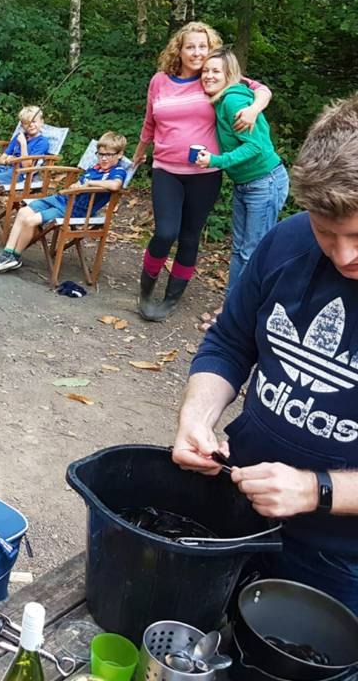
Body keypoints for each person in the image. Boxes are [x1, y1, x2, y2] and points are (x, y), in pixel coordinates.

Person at [172, 93, 358, 614]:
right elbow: (230, 342)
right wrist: (197, 416)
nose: (343, 255)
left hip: (342, 560)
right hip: (237, 508)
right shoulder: (288, 243)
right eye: (327, 233)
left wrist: (317, 490)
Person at [132, 21, 272, 322]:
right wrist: (138, 155)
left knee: (190, 236)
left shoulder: (214, 79)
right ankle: (146, 289)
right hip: (166, 169)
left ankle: (171, 298)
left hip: (204, 174)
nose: (197, 53)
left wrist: (254, 109)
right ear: (179, 50)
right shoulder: (160, 81)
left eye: (203, 47)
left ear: (210, 51)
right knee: (164, 232)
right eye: (190, 47)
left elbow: (261, 90)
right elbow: (149, 123)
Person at [195, 48, 289, 294]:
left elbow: (255, 147)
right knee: (239, 249)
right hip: (245, 183)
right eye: (205, 71)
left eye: (216, 71)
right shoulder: (220, 100)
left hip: (265, 182)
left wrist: (216, 160)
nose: (209, 76)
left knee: (252, 252)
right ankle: (231, 310)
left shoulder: (233, 101)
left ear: (229, 75)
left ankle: (245, 315)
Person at [0, 131, 127, 273]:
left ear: (119, 154)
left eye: (108, 155)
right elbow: (79, 183)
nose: (103, 158)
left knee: (30, 221)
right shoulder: (93, 168)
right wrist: (76, 185)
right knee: (23, 212)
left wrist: (89, 184)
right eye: (100, 154)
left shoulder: (117, 171)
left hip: (75, 209)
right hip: (62, 199)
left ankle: (14, 256)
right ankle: (7, 253)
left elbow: (115, 185)